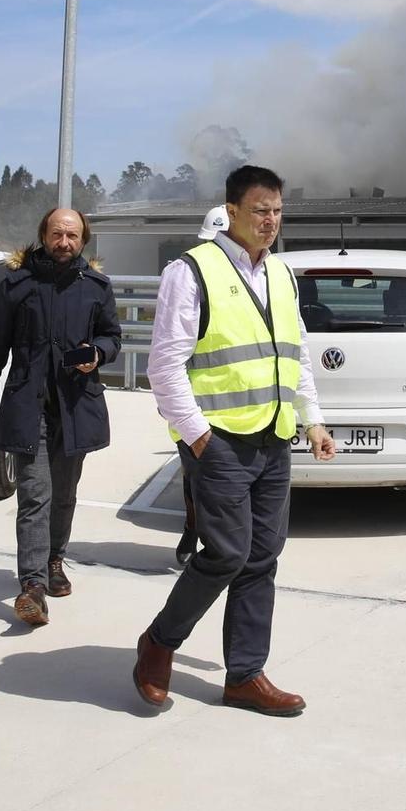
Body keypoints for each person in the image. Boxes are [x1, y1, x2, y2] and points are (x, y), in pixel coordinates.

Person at [132, 167, 335, 715]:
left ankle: (245, 675)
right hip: (219, 441)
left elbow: (297, 355)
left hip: (274, 438)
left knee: (262, 557)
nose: (270, 220)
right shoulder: (193, 271)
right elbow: (165, 366)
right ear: (232, 211)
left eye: (277, 210)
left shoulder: (283, 276)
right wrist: (199, 439)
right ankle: (159, 643)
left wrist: (312, 420)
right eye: (259, 210)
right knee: (225, 553)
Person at [0, 206, 121, 626]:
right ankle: (31, 586)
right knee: (34, 495)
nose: (63, 242)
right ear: (43, 236)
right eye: (56, 234)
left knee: (64, 494)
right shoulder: (18, 285)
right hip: (30, 409)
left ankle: (53, 561)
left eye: (72, 236)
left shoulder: (97, 286)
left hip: (75, 408)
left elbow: (112, 336)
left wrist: (98, 353)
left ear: (83, 241)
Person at [172, 203, 233, 569]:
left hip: (239, 414)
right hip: (194, 407)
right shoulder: (188, 275)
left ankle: (215, 547)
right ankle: (192, 531)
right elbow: (168, 356)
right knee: (193, 481)